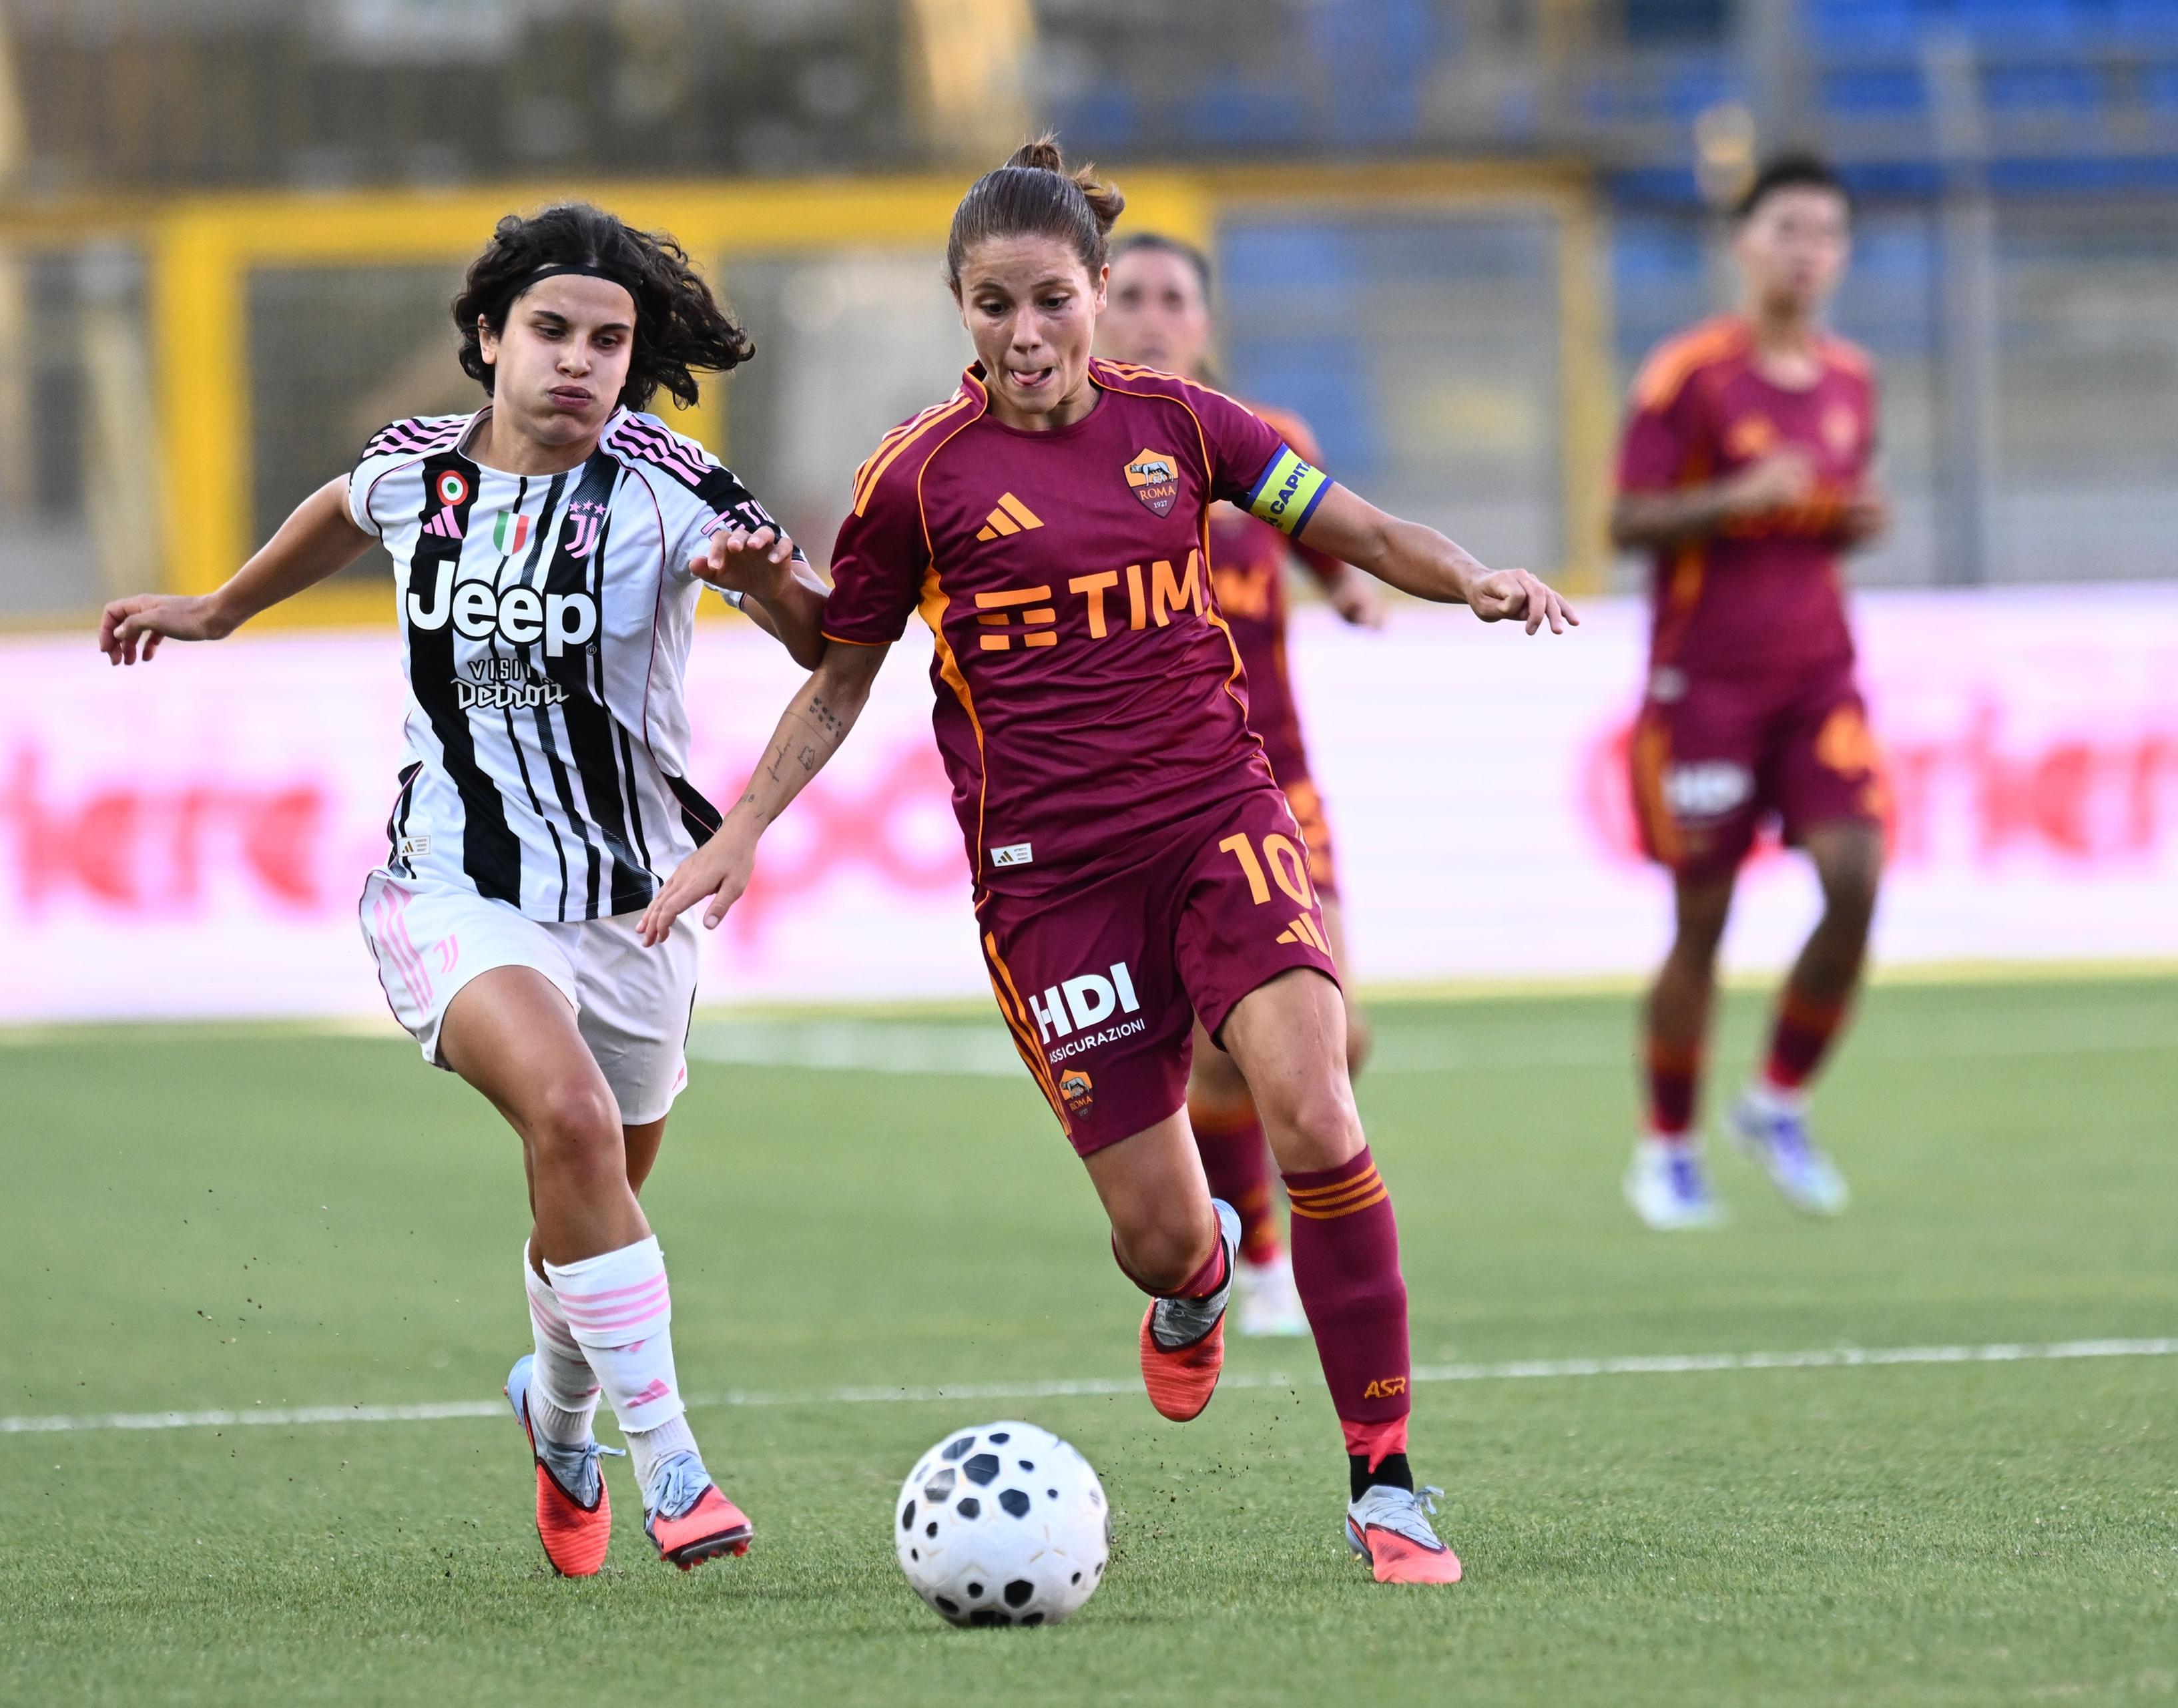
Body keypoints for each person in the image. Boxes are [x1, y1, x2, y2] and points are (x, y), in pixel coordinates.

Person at [642, 139, 1577, 1585]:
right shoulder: (914, 481)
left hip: (1220, 817)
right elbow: (840, 672)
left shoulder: (1183, 424)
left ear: (1094, 297)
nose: (1029, 336)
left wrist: (1470, 578)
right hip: (1050, 886)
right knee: (1156, 1240)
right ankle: (1198, 1277)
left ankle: (1386, 1479)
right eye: (996, 305)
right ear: (961, 304)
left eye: (1054, 301)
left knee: (1317, 1107)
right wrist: (744, 824)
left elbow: (1356, 524)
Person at [99, 203, 828, 1576]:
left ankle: (557, 1419)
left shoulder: (672, 486)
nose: (579, 362)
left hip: (634, 909)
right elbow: (338, 507)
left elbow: (824, 635)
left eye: (609, 341)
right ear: (488, 337)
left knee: (590, 1193)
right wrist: (219, 608)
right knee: (564, 1112)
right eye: (551, 331)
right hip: (453, 885)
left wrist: (764, 586)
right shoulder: (415, 473)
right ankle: (673, 1462)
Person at [1097, 231, 1385, 1340]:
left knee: (1340, 1037)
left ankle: (1256, 1229)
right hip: (1157, 798)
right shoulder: (1083, 459)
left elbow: (1319, 535)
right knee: (1222, 1048)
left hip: (1278, 780)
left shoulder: (1266, 443)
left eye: (1174, 297)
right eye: (1130, 296)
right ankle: (1257, 1248)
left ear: (1205, 323)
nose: (1153, 316)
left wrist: (1348, 590)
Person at [1611, 154, 1888, 1231]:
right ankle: (1668, 1147)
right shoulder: (1690, 375)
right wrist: (1732, 498)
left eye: (1825, 232)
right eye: (1787, 228)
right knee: (1704, 918)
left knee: (1857, 878)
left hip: (1819, 677)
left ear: (1843, 255)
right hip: (1706, 687)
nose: (1806, 250)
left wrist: (1849, 519)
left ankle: (1776, 1101)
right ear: (1744, 243)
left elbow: (1834, 503)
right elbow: (1625, 523)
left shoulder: (1853, 380)